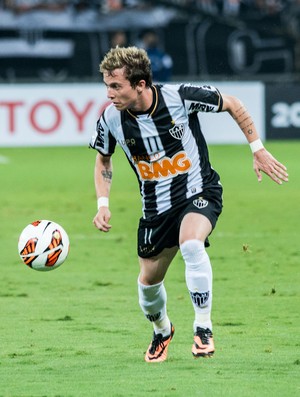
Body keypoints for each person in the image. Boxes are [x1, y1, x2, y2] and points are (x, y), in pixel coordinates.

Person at [89, 46, 288, 363]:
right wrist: (103, 202)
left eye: (116, 86)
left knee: (192, 244)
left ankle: (204, 327)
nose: (109, 93)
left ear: (140, 84)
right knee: (148, 284)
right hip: (155, 208)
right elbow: (103, 159)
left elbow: (232, 103)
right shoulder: (111, 119)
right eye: (107, 86)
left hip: (200, 189)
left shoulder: (180, 97)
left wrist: (257, 148)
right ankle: (162, 331)